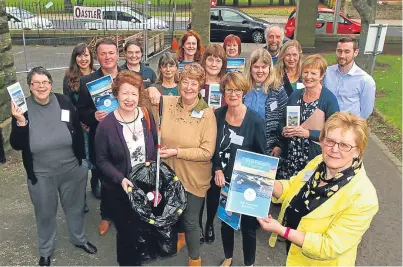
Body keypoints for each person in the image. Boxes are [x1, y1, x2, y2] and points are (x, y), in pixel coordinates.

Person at [258, 112, 379, 266]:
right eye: (330, 141)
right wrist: (267, 182)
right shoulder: (319, 162)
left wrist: (282, 231)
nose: (334, 149)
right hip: (295, 256)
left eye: (344, 145)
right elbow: (294, 187)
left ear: (358, 151)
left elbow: (328, 246)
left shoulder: (364, 198)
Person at [10, 67, 97, 266]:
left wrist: (82, 162)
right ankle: (46, 251)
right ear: (30, 86)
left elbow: (76, 128)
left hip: (72, 169)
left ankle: (79, 239)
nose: (41, 86)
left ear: (51, 84)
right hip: (41, 174)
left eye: (45, 82)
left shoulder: (63, 101)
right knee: (45, 213)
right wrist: (21, 122)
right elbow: (16, 144)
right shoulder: (22, 109)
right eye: (36, 83)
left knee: (75, 208)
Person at [95, 70, 157, 266]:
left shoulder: (146, 116)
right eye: (125, 93)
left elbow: (154, 147)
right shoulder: (106, 126)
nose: (129, 99)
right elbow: (102, 161)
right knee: (125, 234)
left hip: (144, 186)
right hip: (120, 191)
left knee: (142, 227)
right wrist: (120, 178)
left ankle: (139, 255)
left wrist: (154, 178)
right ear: (116, 95)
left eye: (134, 94)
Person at [159, 63, 217, 266]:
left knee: (191, 220)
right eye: (185, 81)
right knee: (173, 214)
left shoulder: (207, 113)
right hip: (169, 173)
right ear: (179, 82)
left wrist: (177, 152)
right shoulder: (167, 103)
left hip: (194, 177)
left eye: (194, 83)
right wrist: (148, 88)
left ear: (201, 86)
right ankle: (180, 238)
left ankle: (195, 259)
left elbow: (207, 152)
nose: (189, 87)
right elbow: (139, 98)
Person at [213, 72, 266, 267]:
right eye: (229, 90)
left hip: (247, 183)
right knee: (226, 222)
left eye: (237, 90)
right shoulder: (218, 116)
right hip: (225, 181)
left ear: (243, 92)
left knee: (248, 227)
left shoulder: (255, 121)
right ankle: (228, 257)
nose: (233, 94)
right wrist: (217, 168)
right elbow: (212, 147)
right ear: (223, 92)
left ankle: (249, 263)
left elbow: (263, 156)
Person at [76, 38, 121, 236]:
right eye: (103, 53)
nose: (107, 57)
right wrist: (93, 116)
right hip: (102, 138)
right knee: (106, 180)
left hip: (126, 137)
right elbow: (81, 110)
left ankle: (125, 215)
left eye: (111, 53)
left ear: (117, 54)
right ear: (98, 56)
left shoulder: (127, 77)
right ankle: (106, 216)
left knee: (127, 177)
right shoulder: (88, 81)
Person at [277, 54, 340, 180]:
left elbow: (335, 132)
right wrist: (283, 130)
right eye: (305, 72)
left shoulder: (328, 99)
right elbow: (282, 121)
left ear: (321, 76)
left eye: (313, 73)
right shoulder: (295, 96)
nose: (308, 76)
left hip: (314, 158)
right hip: (291, 157)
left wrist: (307, 133)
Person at [63, 43, 96, 211]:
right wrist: (79, 122)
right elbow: (67, 104)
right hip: (80, 126)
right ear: (75, 58)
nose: (83, 59)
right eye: (79, 55)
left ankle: (96, 185)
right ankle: (80, 198)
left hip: (96, 124)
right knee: (82, 163)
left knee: (98, 157)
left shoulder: (98, 75)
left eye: (86, 55)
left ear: (91, 57)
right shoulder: (69, 77)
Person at [244, 48, 288, 156]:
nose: (260, 71)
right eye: (256, 67)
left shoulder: (278, 90)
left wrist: (280, 145)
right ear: (250, 68)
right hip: (244, 145)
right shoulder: (242, 89)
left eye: (264, 67)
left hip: (270, 148)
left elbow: (285, 120)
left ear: (270, 68)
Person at [324, 37, 376, 119]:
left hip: (349, 127)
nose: (342, 55)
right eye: (339, 51)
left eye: (347, 52)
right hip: (327, 124)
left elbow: (366, 110)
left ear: (356, 52)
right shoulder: (327, 73)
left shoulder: (365, 80)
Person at [141, 53, 179, 124]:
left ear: (176, 67)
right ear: (160, 69)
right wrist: (149, 89)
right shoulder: (154, 87)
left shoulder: (182, 87)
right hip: (159, 128)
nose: (168, 69)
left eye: (171, 66)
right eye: (164, 66)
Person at [200, 44, 227, 109]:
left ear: (222, 64)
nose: (214, 64)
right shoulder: (197, 83)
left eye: (218, 61)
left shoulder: (227, 84)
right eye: (210, 60)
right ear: (204, 61)